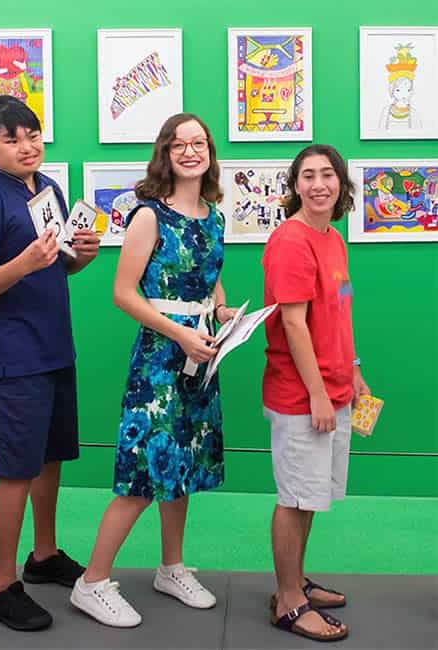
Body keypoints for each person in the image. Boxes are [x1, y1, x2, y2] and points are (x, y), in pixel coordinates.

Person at [70, 113, 237, 627]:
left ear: (210, 151)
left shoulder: (214, 216)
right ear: (165, 153)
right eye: (179, 143)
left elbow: (209, 282)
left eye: (199, 142)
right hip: (161, 359)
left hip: (201, 354)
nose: (191, 151)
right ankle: (92, 581)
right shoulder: (149, 216)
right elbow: (124, 293)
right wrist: (180, 331)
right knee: (143, 472)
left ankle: (171, 567)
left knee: (182, 466)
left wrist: (223, 313)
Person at [0, 95, 100, 631]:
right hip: (13, 357)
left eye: (33, 134)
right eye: (12, 139)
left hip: (55, 346)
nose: (27, 145)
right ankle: (0, 585)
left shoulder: (50, 189)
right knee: (15, 470)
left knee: (49, 458)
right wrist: (23, 262)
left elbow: (58, 268)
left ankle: (43, 555)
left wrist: (82, 254)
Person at [261, 144, 371, 642]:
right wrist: (319, 395)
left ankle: (296, 581)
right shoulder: (291, 242)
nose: (319, 184)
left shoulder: (333, 240)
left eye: (328, 174)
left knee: (311, 498)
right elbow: (293, 323)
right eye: (308, 176)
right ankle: (287, 601)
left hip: (336, 386)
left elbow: (338, 310)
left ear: (341, 184)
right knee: (295, 498)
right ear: (295, 186)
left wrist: (354, 371)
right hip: (301, 395)